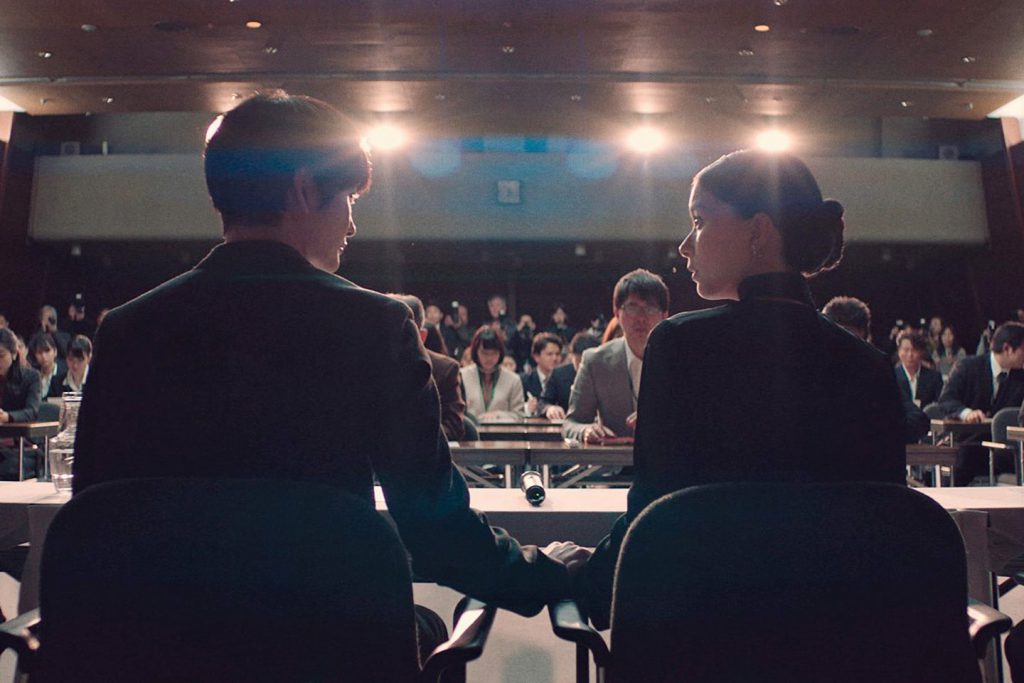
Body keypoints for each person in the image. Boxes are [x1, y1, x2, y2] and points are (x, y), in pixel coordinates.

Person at [72, 93, 584, 659]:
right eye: (347, 198)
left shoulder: (127, 330)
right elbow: (433, 527)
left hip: (156, 648)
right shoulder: (375, 326)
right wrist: (543, 573)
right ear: (304, 189)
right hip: (323, 644)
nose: (353, 223)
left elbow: (95, 518)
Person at [582, 150, 905, 629]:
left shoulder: (679, 344)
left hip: (706, 635)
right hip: (839, 639)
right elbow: (882, 534)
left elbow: (654, 518)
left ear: (758, 231)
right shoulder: (870, 365)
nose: (685, 246)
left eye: (699, 221)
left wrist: (583, 580)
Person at [562, 269, 669, 444]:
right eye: (632, 307)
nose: (641, 318)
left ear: (664, 315)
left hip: (668, 457)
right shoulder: (595, 361)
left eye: (650, 308)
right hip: (614, 459)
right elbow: (571, 423)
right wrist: (586, 430)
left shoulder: (682, 359)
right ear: (617, 313)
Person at [937, 321, 1024, 485]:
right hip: (967, 440)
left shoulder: (1020, 376)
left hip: (1002, 447)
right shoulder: (968, 366)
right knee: (965, 457)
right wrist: (966, 413)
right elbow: (946, 399)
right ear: (1007, 349)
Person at [389, 294, 465, 442]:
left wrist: (413, 437)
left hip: (425, 450)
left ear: (422, 336)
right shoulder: (370, 365)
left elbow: (454, 426)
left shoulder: (445, 369)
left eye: (403, 334)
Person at [0, 329, 43, 478]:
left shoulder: (31, 377)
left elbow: (31, 412)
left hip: (23, 447)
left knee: (8, 468)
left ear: (14, 354)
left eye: (1, 356)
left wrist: (8, 417)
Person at [459, 327, 525, 420]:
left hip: (502, 428)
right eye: (484, 353)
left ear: (500, 353)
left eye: (494, 353)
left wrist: (499, 415)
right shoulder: (462, 376)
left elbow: (520, 415)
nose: (489, 358)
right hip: (471, 428)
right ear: (475, 352)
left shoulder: (513, 379)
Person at [539, 332, 600, 420]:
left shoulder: (607, 374)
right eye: (580, 361)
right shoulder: (559, 374)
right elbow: (542, 402)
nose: (583, 367)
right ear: (572, 356)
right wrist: (550, 408)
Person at [894, 330, 943, 409]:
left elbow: (939, 406)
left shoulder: (934, 377)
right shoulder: (891, 376)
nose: (910, 354)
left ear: (921, 352)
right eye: (906, 350)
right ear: (899, 351)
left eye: (914, 350)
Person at [519, 332, 563, 416]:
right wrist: (526, 408)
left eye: (557, 354)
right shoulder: (523, 381)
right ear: (536, 357)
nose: (555, 358)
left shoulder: (566, 380)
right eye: (549, 354)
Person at [27, 332, 65, 399]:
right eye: (39, 352)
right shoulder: (32, 374)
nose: (43, 356)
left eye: (47, 351)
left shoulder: (65, 373)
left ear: (55, 351)